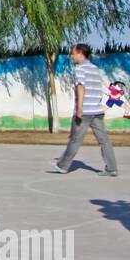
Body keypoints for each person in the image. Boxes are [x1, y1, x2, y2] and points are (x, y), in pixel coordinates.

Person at [50, 44, 118, 177]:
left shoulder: (80, 69)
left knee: (75, 139)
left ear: (80, 54)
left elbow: (81, 87)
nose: (71, 56)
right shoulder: (95, 69)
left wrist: (80, 108)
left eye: (73, 53)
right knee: (104, 140)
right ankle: (111, 168)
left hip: (85, 111)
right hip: (97, 111)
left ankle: (62, 166)